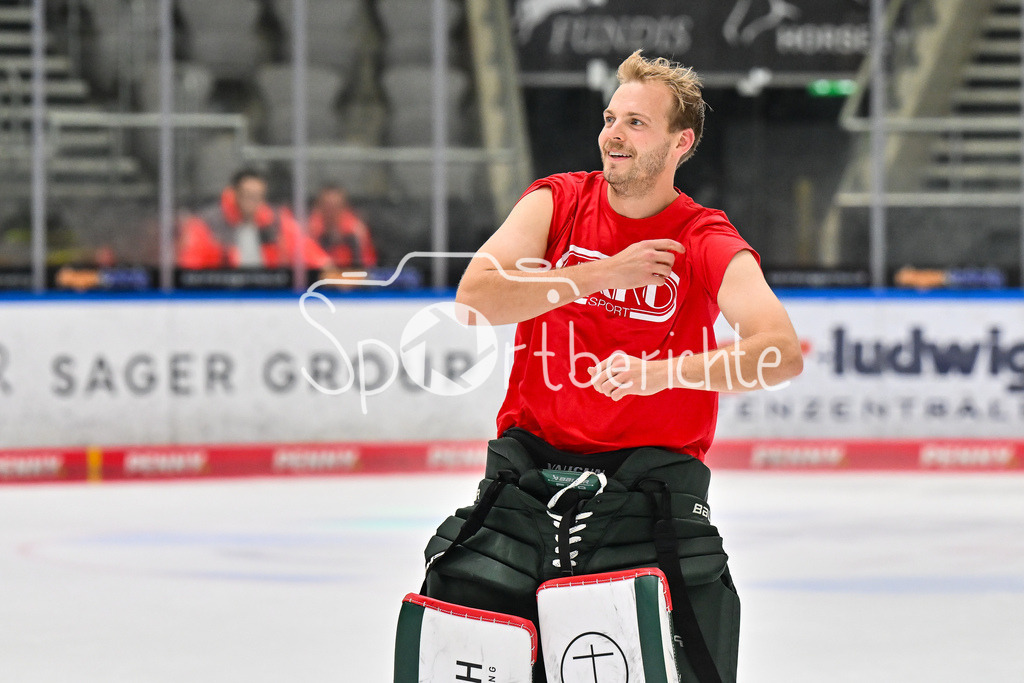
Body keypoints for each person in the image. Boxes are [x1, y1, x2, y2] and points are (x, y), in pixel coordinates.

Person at [410, 51, 803, 682]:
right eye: (610, 118)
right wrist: (599, 274)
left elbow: (779, 353)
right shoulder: (557, 202)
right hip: (527, 479)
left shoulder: (703, 236)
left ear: (681, 143)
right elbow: (475, 300)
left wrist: (662, 372)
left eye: (636, 123)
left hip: (648, 495)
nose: (613, 134)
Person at [178, 168, 330, 269]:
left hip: (268, 294)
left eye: (258, 197)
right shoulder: (208, 224)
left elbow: (315, 258)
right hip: (220, 295)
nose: (253, 203)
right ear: (234, 194)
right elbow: (190, 269)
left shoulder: (276, 223)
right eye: (248, 196)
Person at [306, 184, 378, 269]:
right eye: (326, 207)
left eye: (335, 207)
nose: (331, 212)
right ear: (319, 207)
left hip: (349, 275)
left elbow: (369, 266)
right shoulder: (310, 230)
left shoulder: (355, 232)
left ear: (344, 208)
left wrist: (361, 244)